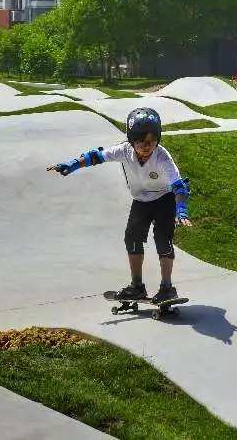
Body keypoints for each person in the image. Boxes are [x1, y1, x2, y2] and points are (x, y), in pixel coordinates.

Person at [46, 107, 192, 303]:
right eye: (141, 142)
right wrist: (71, 165)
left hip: (164, 199)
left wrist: (182, 210)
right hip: (141, 200)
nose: (147, 147)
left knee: (163, 240)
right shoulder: (123, 150)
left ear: (158, 139)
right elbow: (95, 157)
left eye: (152, 141)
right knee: (131, 238)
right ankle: (137, 286)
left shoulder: (162, 156)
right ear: (132, 141)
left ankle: (167, 288)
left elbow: (178, 186)